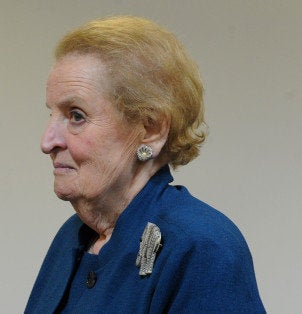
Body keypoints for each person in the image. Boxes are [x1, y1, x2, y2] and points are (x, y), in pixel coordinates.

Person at [25, 16, 265, 313]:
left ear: (150, 130)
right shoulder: (71, 238)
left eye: (76, 116)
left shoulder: (202, 247)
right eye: (52, 114)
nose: (47, 142)